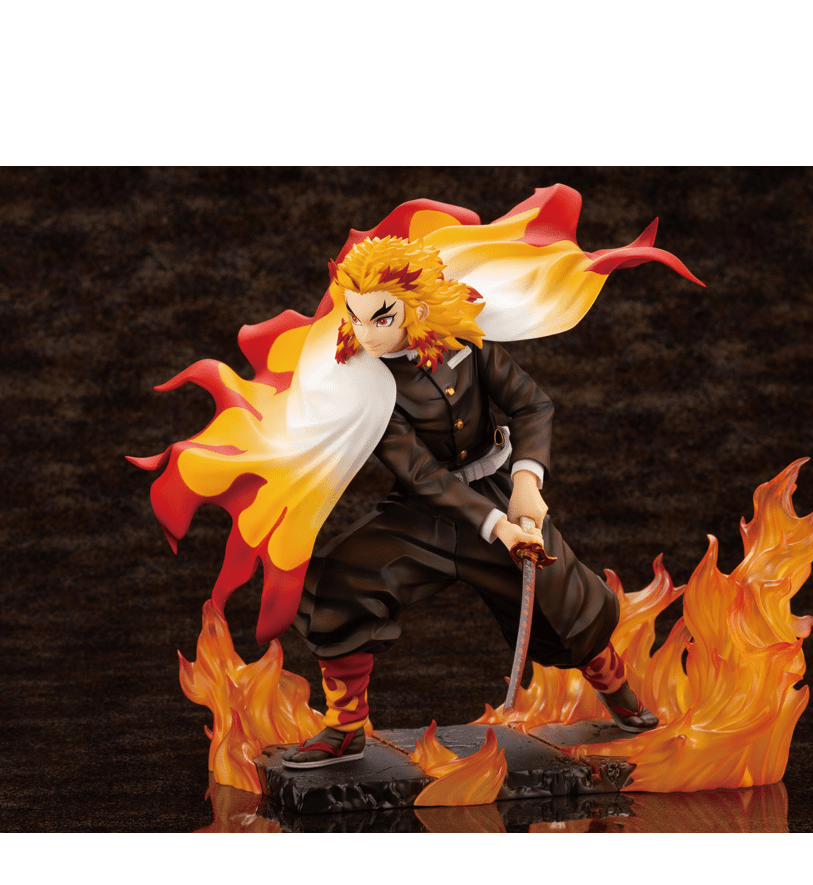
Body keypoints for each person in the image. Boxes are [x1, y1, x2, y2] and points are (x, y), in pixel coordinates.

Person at [129, 185, 703, 766]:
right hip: (424, 513)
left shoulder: (471, 347)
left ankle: (622, 698)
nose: (367, 334)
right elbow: (423, 474)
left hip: (499, 487)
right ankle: (345, 726)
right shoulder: (363, 382)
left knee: (567, 603)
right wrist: (497, 527)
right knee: (338, 587)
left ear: (419, 307)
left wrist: (527, 483)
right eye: (357, 318)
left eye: (382, 317)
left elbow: (533, 405)